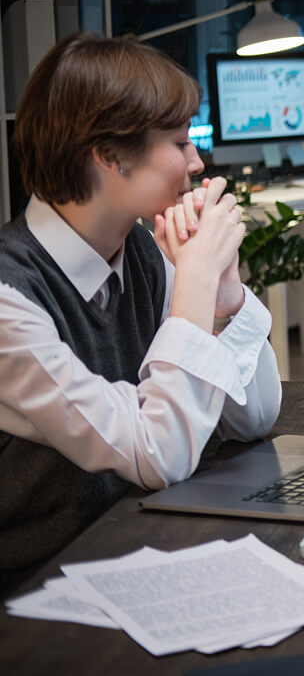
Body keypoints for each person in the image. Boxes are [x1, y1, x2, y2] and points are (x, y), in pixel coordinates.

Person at [0, 33, 281, 595]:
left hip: (134, 543)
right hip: (37, 590)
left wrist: (224, 298)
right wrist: (196, 283)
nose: (197, 163)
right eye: (180, 142)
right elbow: (161, 455)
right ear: (108, 154)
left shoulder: (144, 254)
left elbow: (253, 418)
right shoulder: (11, 301)